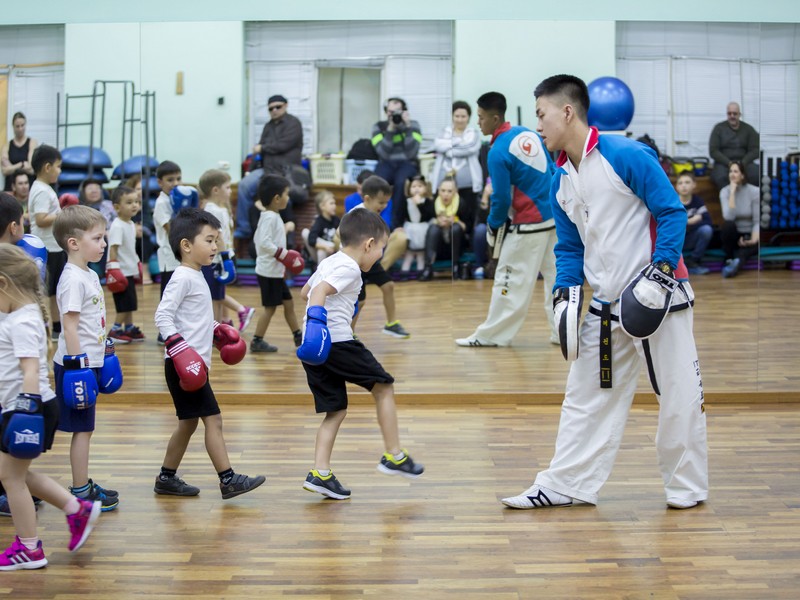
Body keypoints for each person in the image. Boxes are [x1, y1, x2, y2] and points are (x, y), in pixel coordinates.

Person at [500, 74, 707, 511]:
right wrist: (564, 293)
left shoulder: (626, 155)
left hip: (661, 300)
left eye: (541, 114)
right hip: (608, 306)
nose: (537, 126)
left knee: (678, 396)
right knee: (584, 395)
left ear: (567, 112)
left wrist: (663, 270)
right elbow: (570, 247)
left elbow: (671, 212)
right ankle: (566, 484)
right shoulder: (560, 180)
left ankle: (686, 488)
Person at [297, 207, 424, 500]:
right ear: (368, 244)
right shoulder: (349, 268)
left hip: (315, 347)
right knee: (384, 387)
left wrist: (319, 326)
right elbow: (315, 296)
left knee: (336, 410)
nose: (380, 255)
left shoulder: (330, 261)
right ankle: (394, 455)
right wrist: (322, 325)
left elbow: (305, 291)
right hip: (336, 342)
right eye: (381, 249)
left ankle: (321, 473)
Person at [0, 245, 102, 570]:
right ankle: (77, 510)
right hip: (19, 407)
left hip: (29, 408)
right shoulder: (15, 313)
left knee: (11, 479)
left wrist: (24, 413)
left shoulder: (22, 320)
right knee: (18, 475)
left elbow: (32, 370)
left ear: (3, 284)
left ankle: (29, 548)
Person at [153, 207, 265, 499]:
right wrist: (180, 350)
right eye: (209, 240)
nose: (216, 246)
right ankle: (228, 479)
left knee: (188, 423)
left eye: (216, 240)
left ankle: (166, 477)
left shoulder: (196, 274)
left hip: (192, 364)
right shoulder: (182, 277)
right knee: (213, 419)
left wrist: (216, 329)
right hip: (183, 366)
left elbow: (191, 317)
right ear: (186, 246)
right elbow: (163, 317)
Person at [455, 91, 558, 348]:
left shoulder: (498, 151)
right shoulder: (529, 133)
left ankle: (491, 335)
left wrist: (493, 225)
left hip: (529, 226)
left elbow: (500, 198)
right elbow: (553, 170)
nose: (478, 123)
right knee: (558, 280)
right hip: (555, 219)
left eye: (480, 117)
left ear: (495, 117)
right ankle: (562, 332)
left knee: (508, 280)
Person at [52, 205, 119, 511]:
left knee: (86, 428)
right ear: (74, 243)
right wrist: (79, 365)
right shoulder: (72, 279)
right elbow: (69, 325)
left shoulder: (88, 273)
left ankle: (83, 483)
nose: (103, 244)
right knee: (82, 429)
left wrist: (104, 349)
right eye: (98, 238)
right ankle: (80, 490)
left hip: (88, 362)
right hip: (74, 366)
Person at [235, 94, 304, 241]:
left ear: (286, 106)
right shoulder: (268, 126)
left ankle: (287, 240)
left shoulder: (294, 123)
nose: (274, 110)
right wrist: (249, 170)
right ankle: (244, 228)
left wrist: (263, 147)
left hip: (287, 172)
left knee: (284, 196)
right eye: (271, 108)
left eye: (278, 107)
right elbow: (259, 151)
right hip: (266, 171)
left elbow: (284, 145)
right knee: (244, 185)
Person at [352, 175, 410, 339]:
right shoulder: (356, 214)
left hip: (369, 261)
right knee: (360, 301)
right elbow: (339, 233)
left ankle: (391, 324)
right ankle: (348, 333)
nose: (384, 206)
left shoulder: (373, 214)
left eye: (386, 202)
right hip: (355, 263)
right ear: (367, 198)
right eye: (381, 202)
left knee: (388, 286)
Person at [197, 169, 255, 332]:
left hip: (221, 258)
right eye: (228, 187)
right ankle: (221, 325)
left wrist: (225, 258)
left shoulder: (217, 209)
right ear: (216, 190)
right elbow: (218, 237)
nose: (231, 191)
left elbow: (221, 237)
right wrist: (224, 257)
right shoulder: (213, 209)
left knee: (216, 295)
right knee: (215, 295)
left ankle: (219, 326)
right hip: (218, 258)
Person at [251, 175, 302, 353]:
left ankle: (298, 336)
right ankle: (257, 340)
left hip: (274, 271)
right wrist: (283, 255)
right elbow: (263, 241)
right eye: (287, 194)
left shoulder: (272, 216)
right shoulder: (270, 218)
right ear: (277, 199)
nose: (289, 198)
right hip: (269, 272)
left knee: (288, 304)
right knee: (270, 308)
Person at [28, 145, 65, 341]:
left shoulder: (42, 188)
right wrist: (62, 213)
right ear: (47, 167)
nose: (60, 170)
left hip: (52, 246)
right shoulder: (42, 190)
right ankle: (48, 328)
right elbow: (41, 219)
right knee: (48, 291)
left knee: (54, 292)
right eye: (58, 166)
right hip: (48, 248)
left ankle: (56, 327)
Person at [371, 97, 422, 229]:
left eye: (397, 111)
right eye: (390, 112)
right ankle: (374, 220)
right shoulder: (378, 127)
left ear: (404, 111)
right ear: (386, 112)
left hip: (407, 163)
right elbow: (383, 153)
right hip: (386, 162)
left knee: (402, 183)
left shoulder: (413, 125)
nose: (393, 115)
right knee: (377, 183)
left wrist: (408, 127)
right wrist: (390, 129)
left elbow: (412, 152)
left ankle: (395, 224)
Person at [106, 186, 145, 343]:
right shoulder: (117, 225)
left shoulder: (129, 224)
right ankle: (115, 330)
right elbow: (113, 248)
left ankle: (128, 328)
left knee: (130, 302)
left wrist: (137, 264)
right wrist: (114, 270)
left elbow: (129, 248)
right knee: (123, 304)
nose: (134, 205)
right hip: (121, 272)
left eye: (136, 201)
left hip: (129, 269)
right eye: (129, 202)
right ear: (117, 207)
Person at [431, 100, 483, 209]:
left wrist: (449, 149)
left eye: (463, 116)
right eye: (457, 116)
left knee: (468, 216)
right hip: (444, 186)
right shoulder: (444, 131)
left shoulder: (473, 133)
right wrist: (459, 141)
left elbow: (469, 147)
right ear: (452, 116)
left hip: (468, 185)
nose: (460, 119)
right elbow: (437, 144)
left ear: (468, 117)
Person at [419, 177, 471, 281]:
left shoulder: (462, 204)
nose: (445, 194)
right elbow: (424, 223)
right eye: (443, 191)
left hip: (456, 246)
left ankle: (455, 267)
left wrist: (456, 221)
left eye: (449, 191)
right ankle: (428, 268)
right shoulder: (433, 203)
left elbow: (469, 228)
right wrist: (437, 221)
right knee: (433, 228)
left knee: (455, 228)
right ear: (438, 191)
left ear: (456, 192)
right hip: (438, 247)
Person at [719, 160, 760, 278]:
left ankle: (735, 265)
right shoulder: (725, 192)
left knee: (749, 248)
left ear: (742, 175)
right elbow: (728, 217)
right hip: (734, 233)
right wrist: (732, 193)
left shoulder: (754, 191)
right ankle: (730, 258)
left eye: (736, 171)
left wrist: (753, 239)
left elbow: (757, 221)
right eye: (730, 171)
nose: (732, 174)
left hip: (749, 232)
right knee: (728, 225)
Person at [709, 102, 760, 189]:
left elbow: (755, 150)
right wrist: (729, 163)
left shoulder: (749, 129)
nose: (732, 116)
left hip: (744, 162)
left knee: (756, 174)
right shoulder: (718, 128)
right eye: (729, 113)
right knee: (720, 177)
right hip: (724, 163)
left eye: (735, 113)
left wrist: (743, 163)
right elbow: (713, 151)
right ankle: (729, 200)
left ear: (739, 114)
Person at [152, 160, 183, 301]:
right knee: (169, 294)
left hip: (179, 253)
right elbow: (170, 230)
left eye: (178, 179)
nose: (175, 183)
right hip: (169, 255)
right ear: (160, 182)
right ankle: (164, 321)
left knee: (180, 293)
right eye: (170, 180)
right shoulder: (161, 203)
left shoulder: (176, 198)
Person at [675, 172, 713, 275]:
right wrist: (690, 221)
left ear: (694, 185)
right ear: (676, 187)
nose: (684, 186)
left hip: (691, 239)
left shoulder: (698, 201)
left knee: (706, 230)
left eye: (687, 182)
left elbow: (708, 221)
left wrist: (690, 224)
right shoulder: (673, 202)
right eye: (680, 183)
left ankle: (694, 262)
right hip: (677, 241)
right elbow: (671, 224)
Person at [398, 174, 434, 274]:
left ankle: (420, 270)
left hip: (422, 228)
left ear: (426, 188)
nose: (417, 189)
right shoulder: (407, 201)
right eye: (414, 187)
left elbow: (428, 215)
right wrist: (400, 226)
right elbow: (401, 214)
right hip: (410, 228)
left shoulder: (427, 201)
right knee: (409, 253)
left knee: (421, 253)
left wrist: (420, 204)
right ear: (409, 189)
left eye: (420, 186)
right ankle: (404, 270)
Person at [125, 173, 154, 285]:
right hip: (127, 235)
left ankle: (145, 271)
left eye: (141, 189)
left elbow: (148, 222)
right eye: (137, 189)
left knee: (145, 241)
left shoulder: (145, 204)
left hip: (141, 235)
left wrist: (140, 229)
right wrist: (133, 229)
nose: (139, 192)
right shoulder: (125, 204)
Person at [301, 189, 340, 268]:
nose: (334, 206)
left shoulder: (336, 220)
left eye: (334, 203)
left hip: (333, 251)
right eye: (331, 203)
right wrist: (324, 247)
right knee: (305, 232)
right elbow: (312, 240)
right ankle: (320, 275)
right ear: (322, 206)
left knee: (322, 250)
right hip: (320, 253)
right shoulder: (318, 221)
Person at [1, 112, 37, 192]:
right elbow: (4, 171)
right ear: (13, 127)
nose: (20, 129)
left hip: (28, 189)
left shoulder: (32, 143)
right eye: (17, 126)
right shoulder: (6, 146)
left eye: (22, 125)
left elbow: (31, 168)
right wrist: (21, 164)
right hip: (10, 189)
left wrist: (12, 167)